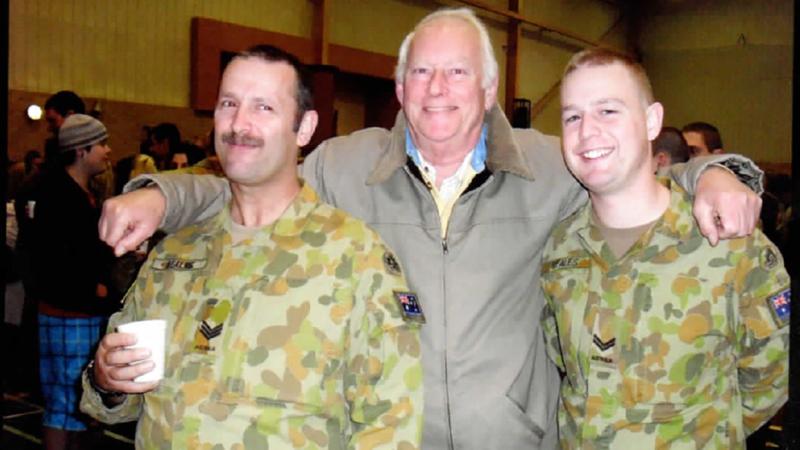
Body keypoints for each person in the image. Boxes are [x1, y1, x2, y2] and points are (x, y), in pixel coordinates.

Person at [97, 8, 764, 449]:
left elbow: (629, 180)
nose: (436, 87)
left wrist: (717, 175)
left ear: (490, 86)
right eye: (420, 70)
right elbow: (247, 195)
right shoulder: (343, 165)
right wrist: (161, 194)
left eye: (456, 71)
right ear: (399, 83)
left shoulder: (549, 166)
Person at [80, 45, 422, 449]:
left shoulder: (354, 260)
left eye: (263, 107)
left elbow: (392, 427)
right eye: (229, 103)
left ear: (305, 128)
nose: (239, 123)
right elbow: (114, 404)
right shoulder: (175, 256)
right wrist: (106, 381)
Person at [541, 48, 789, 449]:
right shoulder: (559, 249)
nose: (587, 131)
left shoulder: (727, 243)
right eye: (573, 116)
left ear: (652, 120)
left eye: (608, 111)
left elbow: (770, 378)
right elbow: (563, 364)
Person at [30, 114, 117, 450]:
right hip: (69, 314)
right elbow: (57, 259)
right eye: (102, 144)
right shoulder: (60, 196)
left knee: (72, 405)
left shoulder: (78, 192)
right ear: (81, 150)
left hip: (74, 312)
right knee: (66, 406)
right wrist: (92, 285)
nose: (108, 151)